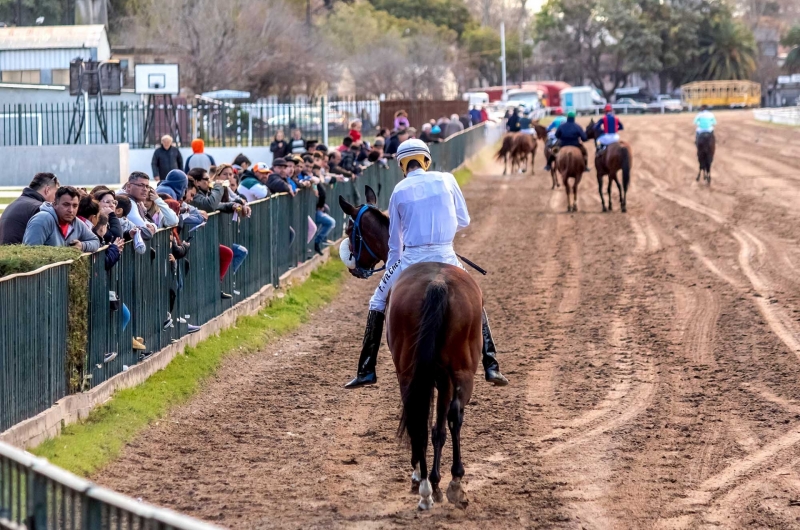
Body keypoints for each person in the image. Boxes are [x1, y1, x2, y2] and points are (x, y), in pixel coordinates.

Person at [345, 139, 508, 388]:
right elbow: (464, 220)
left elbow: (394, 241)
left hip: (411, 257)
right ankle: (491, 364)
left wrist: (392, 267)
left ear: (402, 164)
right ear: (426, 159)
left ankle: (366, 369)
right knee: (476, 297)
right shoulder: (447, 179)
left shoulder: (399, 190)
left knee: (377, 301)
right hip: (446, 254)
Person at [22, 186, 101, 251]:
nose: (71, 210)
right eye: (66, 205)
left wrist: (82, 246)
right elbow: (30, 252)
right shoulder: (42, 219)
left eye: (75, 206)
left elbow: (96, 241)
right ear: (55, 204)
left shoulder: (76, 223)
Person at [0, 172, 59, 244]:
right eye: (56, 194)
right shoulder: (41, 211)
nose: (56, 199)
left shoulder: (13, 204)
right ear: (47, 190)